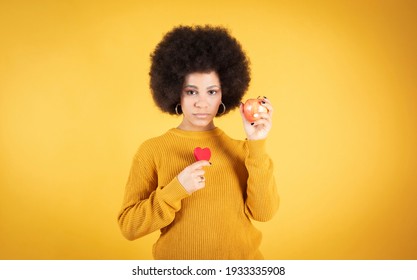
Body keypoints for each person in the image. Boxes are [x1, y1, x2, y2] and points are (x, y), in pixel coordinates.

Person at [117, 25, 279, 260]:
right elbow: (129, 227)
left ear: (225, 93)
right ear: (175, 92)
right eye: (191, 92)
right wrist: (175, 190)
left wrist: (257, 143)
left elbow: (264, 213)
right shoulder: (152, 150)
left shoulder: (243, 150)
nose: (202, 103)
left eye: (212, 92)